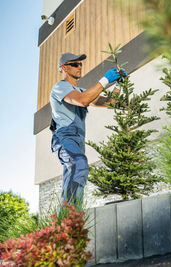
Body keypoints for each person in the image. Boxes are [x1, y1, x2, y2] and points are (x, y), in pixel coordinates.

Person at [50, 52, 123, 210]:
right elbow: (82, 100)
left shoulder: (82, 90)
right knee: (78, 164)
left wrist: (118, 84)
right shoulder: (60, 87)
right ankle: (69, 218)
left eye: (81, 64)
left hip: (77, 141)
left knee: (73, 172)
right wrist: (105, 80)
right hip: (64, 138)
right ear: (64, 68)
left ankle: (66, 221)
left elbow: (110, 103)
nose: (79, 67)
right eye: (75, 64)